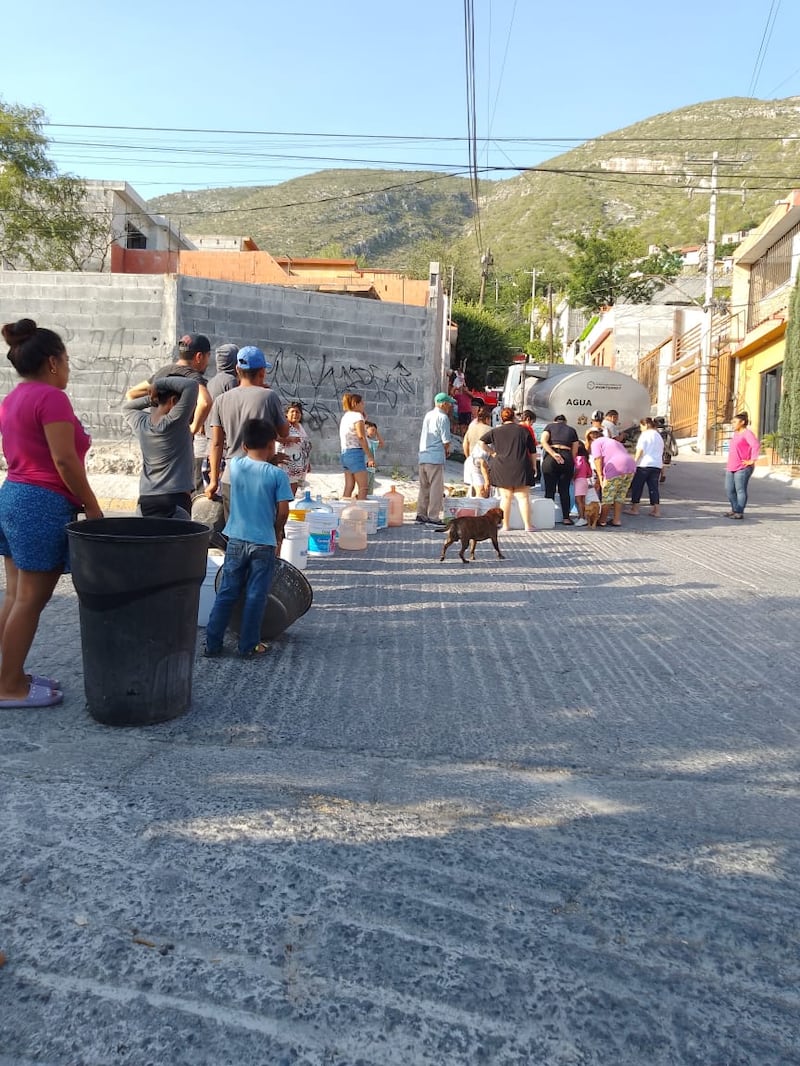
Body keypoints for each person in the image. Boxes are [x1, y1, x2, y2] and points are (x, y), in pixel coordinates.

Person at [0, 319, 103, 708]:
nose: (69, 367)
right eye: (67, 358)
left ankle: (8, 674)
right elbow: (63, 460)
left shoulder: (12, 398)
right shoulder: (51, 398)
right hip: (41, 502)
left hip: (13, 495)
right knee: (30, 599)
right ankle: (8, 686)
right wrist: (92, 506)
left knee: (15, 595)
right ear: (53, 362)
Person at [203, 419, 293, 659]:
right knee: (256, 595)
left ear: (244, 445)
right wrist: (277, 532)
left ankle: (212, 643)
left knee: (228, 592)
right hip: (263, 542)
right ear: (272, 445)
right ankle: (249, 645)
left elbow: (252, 468)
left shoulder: (235, 466)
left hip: (235, 540)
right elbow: (283, 511)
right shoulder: (278, 475)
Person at [205, 346, 291, 520]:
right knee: (262, 530)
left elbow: (216, 443)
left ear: (237, 369)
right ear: (262, 372)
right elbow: (284, 431)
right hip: (262, 476)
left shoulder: (221, 400)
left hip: (231, 476)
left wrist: (214, 480)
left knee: (234, 532)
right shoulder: (269, 397)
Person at [125, 334, 213, 492]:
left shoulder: (162, 372)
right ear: (199, 356)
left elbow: (131, 394)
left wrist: (152, 404)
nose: (208, 360)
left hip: (154, 447)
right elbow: (205, 402)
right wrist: (193, 428)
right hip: (177, 451)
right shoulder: (191, 376)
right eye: (208, 356)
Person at [122, 375, 199, 519]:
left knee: (148, 541)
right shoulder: (175, 420)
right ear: (174, 401)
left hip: (146, 500)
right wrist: (158, 385)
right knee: (178, 542)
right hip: (175, 499)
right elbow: (191, 385)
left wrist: (153, 398)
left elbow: (127, 407)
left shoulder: (142, 423)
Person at [481, 407, 536, 532]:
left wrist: (493, 453)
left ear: (501, 418)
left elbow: (481, 442)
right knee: (523, 497)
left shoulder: (496, 431)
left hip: (501, 466)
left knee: (505, 498)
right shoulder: (523, 431)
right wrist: (534, 466)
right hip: (521, 466)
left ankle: (505, 525)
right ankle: (528, 525)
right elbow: (532, 451)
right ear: (514, 417)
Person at [588, 428, 636, 527]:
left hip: (615, 467)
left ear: (592, 438)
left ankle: (602, 520)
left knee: (608, 496)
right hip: (630, 466)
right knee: (620, 494)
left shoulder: (596, 443)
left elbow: (597, 460)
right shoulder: (614, 441)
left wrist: (600, 477)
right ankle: (616, 520)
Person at [416, 392, 452, 524]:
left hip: (423, 455)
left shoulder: (428, 415)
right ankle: (433, 516)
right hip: (435, 457)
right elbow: (445, 440)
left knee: (423, 488)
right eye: (448, 404)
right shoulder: (443, 417)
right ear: (443, 404)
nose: (449, 407)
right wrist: (448, 449)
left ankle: (421, 514)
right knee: (436, 489)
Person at [540, 414, 579, 525]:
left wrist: (553, 454)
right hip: (566, 456)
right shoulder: (572, 430)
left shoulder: (549, 427)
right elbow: (575, 451)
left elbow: (543, 441)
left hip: (551, 458)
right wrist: (568, 461)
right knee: (564, 489)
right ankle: (566, 518)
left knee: (550, 489)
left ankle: (547, 517)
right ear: (565, 422)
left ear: (555, 421)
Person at [725, 411, 761, 519]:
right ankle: (734, 509)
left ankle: (739, 512)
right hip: (731, 466)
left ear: (742, 422)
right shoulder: (736, 433)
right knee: (729, 489)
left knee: (740, 489)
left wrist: (752, 460)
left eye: (735, 422)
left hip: (743, 467)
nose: (733, 424)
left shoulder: (747, 433)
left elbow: (755, 445)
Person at [625, 417, 663, 517]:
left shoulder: (644, 435)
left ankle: (635, 508)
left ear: (645, 425)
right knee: (654, 487)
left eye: (641, 426)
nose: (641, 429)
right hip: (657, 465)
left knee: (637, 486)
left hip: (644, 465)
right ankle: (656, 510)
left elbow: (640, 450)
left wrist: (634, 462)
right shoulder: (658, 435)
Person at [339, 393, 374, 499]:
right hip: (356, 453)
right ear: (355, 404)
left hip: (346, 453)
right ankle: (361, 513)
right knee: (363, 487)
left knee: (349, 486)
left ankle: (343, 511)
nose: (364, 405)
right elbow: (361, 437)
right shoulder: (357, 417)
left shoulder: (346, 416)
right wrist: (370, 456)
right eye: (362, 403)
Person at [278, 401, 312, 497]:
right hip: (286, 463)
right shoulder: (284, 426)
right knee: (284, 492)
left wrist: (307, 463)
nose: (295, 414)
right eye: (292, 411)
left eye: (298, 412)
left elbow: (303, 446)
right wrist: (290, 439)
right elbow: (275, 438)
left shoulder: (300, 427)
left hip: (299, 464)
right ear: (286, 414)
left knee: (293, 491)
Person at [462, 406, 492, 498]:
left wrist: (468, 456)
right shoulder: (489, 430)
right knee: (484, 491)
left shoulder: (471, 429)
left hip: (472, 461)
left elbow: (465, 444)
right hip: (484, 462)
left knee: (476, 489)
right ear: (487, 419)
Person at [572, 439, 593, 526]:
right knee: (582, 500)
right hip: (584, 480)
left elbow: (577, 469)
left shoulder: (578, 459)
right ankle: (583, 516)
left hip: (578, 481)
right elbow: (590, 473)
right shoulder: (586, 460)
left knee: (578, 501)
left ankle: (581, 518)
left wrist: (573, 477)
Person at [519, 409, 541, 485]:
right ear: (528, 419)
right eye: (532, 422)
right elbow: (533, 444)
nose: (532, 425)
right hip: (526, 457)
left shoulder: (516, 427)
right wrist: (534, 466)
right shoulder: (528, 429)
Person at [364, 420, 384, 495]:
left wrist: (377, 432)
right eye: (372, 430)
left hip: (372, 469)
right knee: (363, 489)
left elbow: (382, 444)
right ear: (366, 428)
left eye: (375, 431)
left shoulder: (372, 443)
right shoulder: (364, 440)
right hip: (365, 468)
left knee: (370, 491)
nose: (373, 433)